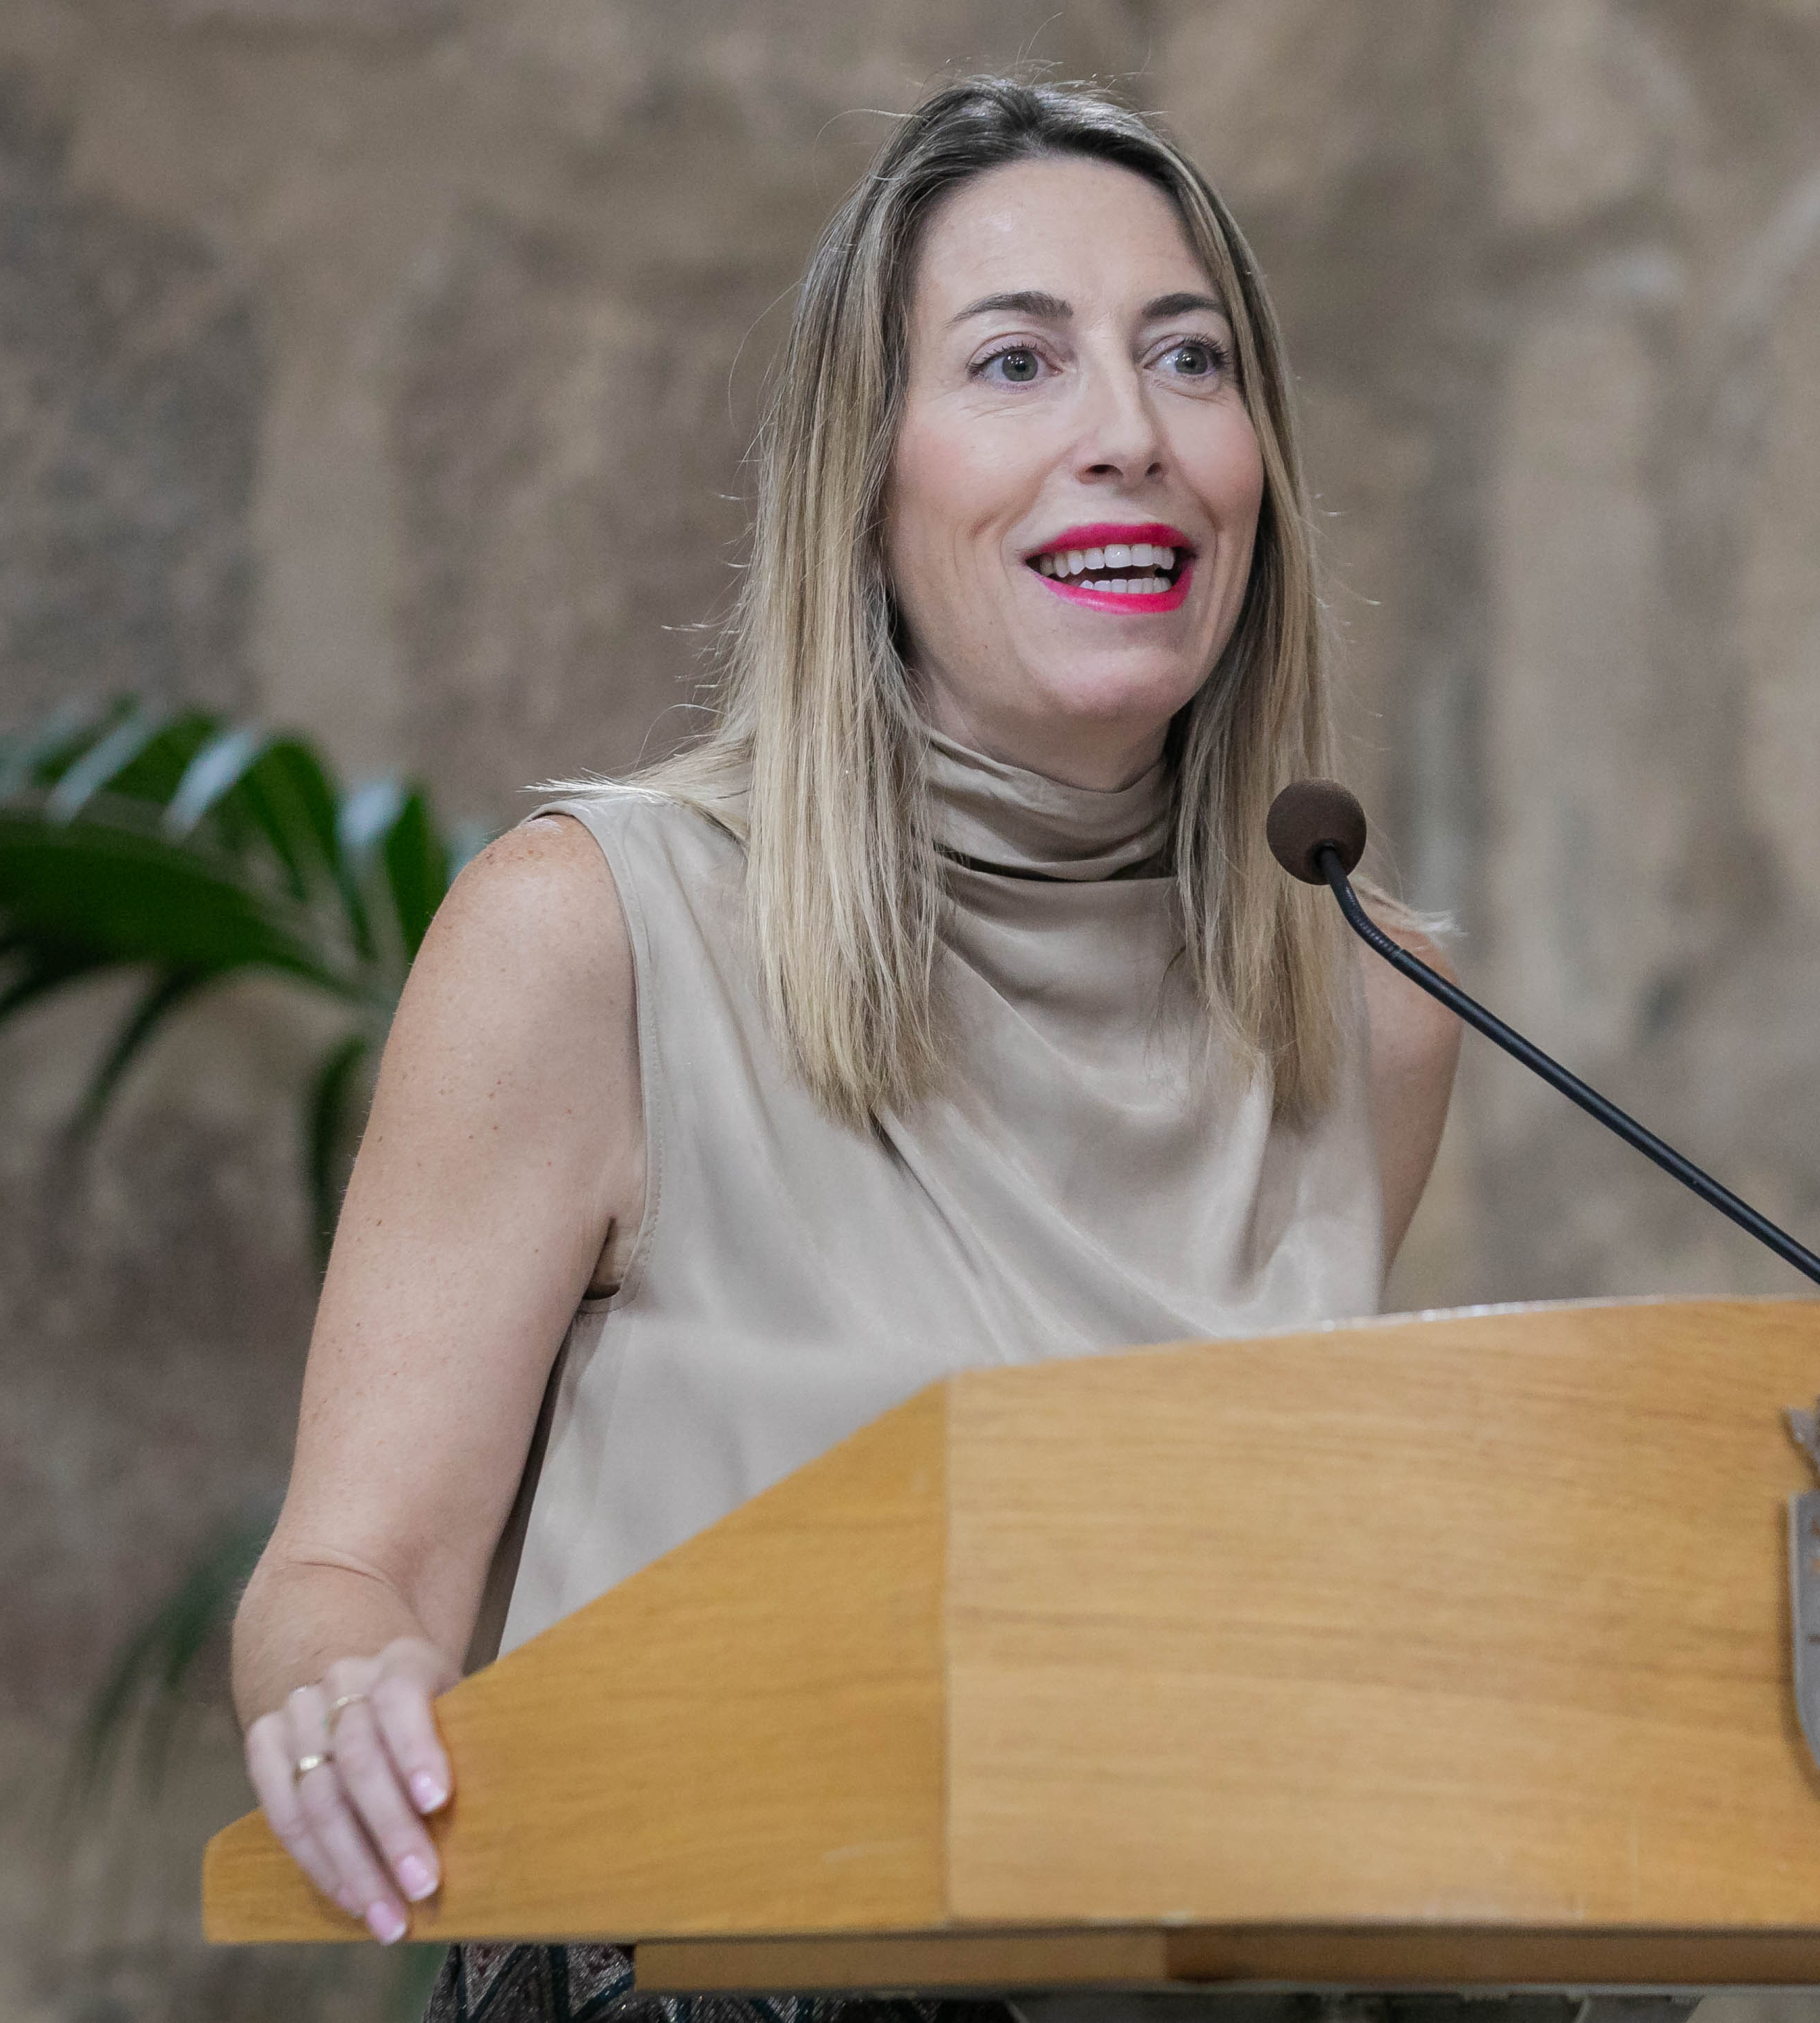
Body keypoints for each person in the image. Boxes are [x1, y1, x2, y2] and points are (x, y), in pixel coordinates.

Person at [224, 78, 1464, 2021]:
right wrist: (345, 1687)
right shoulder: (595, 937)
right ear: (864, 484)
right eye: (1016, 362)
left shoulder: (1368, 1006)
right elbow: (345, 1576)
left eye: (1188, 359)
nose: (1126, 435)